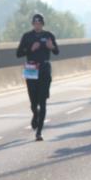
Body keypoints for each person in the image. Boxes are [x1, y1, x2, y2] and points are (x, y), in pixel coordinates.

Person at [16, 13, 59, 141]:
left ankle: (39, 132)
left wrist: (52, 47)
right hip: (31, 69)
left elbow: (57, 51)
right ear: (33, 24)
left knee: (43, 101)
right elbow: (18, 53)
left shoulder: (48, 35)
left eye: (39, 23)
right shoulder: (27, 36)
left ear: (42, 24)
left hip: (44, 69)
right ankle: (35, 113)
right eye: (35, 23)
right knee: (33, 101)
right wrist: (30, 49)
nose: (37, 25)